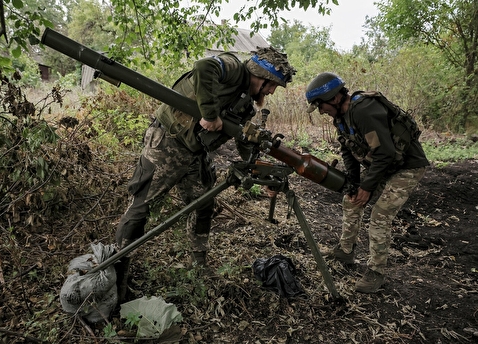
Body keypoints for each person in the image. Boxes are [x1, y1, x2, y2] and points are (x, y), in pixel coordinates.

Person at [114, 46, 296, 299]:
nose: (271, 91)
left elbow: (243, 140)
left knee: (203, 204)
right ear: (260, 74)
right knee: (141, 208)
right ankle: (116, 275)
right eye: (271, 84)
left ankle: (198, 263)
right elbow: (203, 67)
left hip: (195, 153)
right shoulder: (233, 68)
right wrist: (210, 115)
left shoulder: (245, 106)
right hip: (167, 143)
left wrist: (259, 171)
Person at [305, 72, 429, 293]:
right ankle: (345, 250)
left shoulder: (363, 110)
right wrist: (354, 184)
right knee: (350, 200)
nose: (321, 110)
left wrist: (367, 187)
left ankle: (376, 272)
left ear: (334, 98)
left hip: (407, 167)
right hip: (385, 165)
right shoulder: (340, 118)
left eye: (320, 105)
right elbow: (348, 152)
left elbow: (385, 152)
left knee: (379, 216)